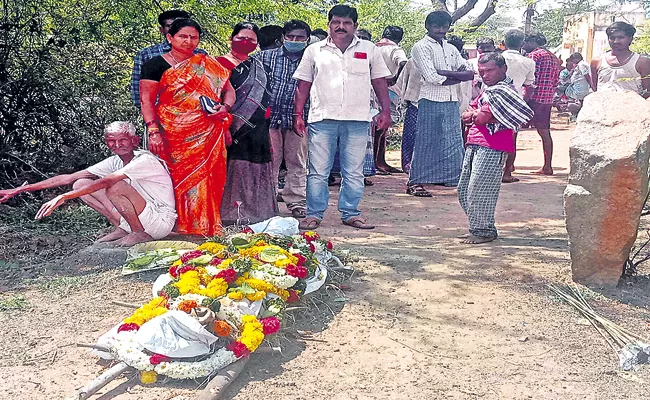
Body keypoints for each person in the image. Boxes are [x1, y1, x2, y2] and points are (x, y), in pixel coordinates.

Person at [293, 4, 392, 230]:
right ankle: (314, 214)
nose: (341, 27)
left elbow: (379, 82)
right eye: (336, 22)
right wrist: (298, 114)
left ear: (355, 26)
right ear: (329, 24)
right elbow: (303, 84)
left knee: (354, 171)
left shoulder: (369, 49)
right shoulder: (314, 50)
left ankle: (351, 213)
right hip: (321, 118)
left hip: (358, 119)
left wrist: (385, 112)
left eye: (346, 23)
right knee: (318, 170)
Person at [0, 122, 177, 246]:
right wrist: (21, 189)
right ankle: (123, 228)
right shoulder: (115, 161)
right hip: (144, 214)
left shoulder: (144, 160)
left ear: (134, 140)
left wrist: (64, 196)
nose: (117, 145)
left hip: (160, 221)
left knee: (114, 186)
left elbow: (107, 181)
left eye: (123, 140)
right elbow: (68, 178)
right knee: (80, 184)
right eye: (112, 140)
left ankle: (139, 233)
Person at [139, 19, 235, 235]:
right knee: (174, 178)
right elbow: (147, 101)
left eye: (194, 37)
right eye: (183, 36)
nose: (189, 41)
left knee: (208, 177)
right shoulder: (155, 65)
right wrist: (153, 130)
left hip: (208, 131)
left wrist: (225, 107)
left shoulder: (208, 64)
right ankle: (174, 226)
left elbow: (228, 90)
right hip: (172, 132)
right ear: (170, 37)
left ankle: (205, 225)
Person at [459, 53, 533, 244]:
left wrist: (479, 114)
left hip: (493, 145)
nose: (485, 75)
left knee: (480, 189)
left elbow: (479, 118)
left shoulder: (502, 92)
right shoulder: (488, 91)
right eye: (482, 72)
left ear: (503, 69)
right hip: (474, 142)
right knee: (465, 188)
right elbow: (467, 114)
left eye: (490, 70)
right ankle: (480, 225)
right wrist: (479, 114)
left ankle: (483, 230)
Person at [217, 22, 278, 225]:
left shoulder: (261, 67)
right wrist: (224, 127)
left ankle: (257, 214)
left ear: (257, 43)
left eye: (251, 40)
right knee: (232, 168)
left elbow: (266, 102)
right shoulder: (217, 64)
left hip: (258, 129)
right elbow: (213, 98)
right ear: (231, 39)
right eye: (242, 38)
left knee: (255, 167)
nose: (246, 42)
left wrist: (267, 131)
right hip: (228, 126)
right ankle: (229, 214)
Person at [408, 11, 473, 197]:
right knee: (426, 141)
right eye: (437, 26)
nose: (441, 30)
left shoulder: (451, 48)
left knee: (453, 142)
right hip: (430, 99)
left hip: (452, 100)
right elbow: (432, 77)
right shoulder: (421, 47)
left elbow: (469, 71)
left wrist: (446, 74)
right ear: (427, 26)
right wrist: (454, 76)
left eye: (445, 27)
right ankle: (415, 182)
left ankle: (453, 178)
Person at [257, 20, 312, 219]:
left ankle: (296, 202)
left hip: (299, 118)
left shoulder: (312, 60)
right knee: (270, 160)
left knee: (296, 161)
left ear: (307, 40)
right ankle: (267, 201)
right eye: (291, 37)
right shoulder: (264, 57)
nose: (295, 41)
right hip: (269, 119)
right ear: (283, 38)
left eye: (300, 38)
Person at [131, 10, 204, 110]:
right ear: (162, 30)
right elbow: (137, 91)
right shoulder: (147, 55)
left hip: (196, 115)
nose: (175, 29)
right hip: (159, 115)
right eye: (170, 26)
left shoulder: (200, 55)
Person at [500, 29, 536, 183]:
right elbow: (529, 86)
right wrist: (523, 102)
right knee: (511, 138)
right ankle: (507, 172)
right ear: (522, 43)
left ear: (504, 43)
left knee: (488, 136)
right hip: (514, 102)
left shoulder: (496, 58)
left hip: (492, 99)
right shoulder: (528, 62)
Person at [522, 32, 560, 176]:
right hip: (547, 99)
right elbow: (556, 80)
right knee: (545, 132)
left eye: (525, 42)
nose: (523, 45)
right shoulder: (552, 56)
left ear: (532, 41)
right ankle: (547, 166)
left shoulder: (534, 56)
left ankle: (509, 166)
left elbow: (531, 80)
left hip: (532, 98)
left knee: (513, 131)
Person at [374, 25, 409, 174]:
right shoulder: (395, 49)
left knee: (376, 127)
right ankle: (378, 162)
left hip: (371, 89)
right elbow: (403, 62)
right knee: (381, 128)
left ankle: (378, 161)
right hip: (389, 91)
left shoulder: (373, 47)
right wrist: (394, 78)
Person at [591, 21, 650, 98]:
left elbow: (647, 91)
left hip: (631, 107)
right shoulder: (597, 61)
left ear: (630, 39)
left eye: (621, 37)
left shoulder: (642, 62)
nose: (616, 41)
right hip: (603, 106)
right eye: (612, 38)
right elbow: (594, 87)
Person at [396, 59, 421, 175]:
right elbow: (403, 81)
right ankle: (408, 165)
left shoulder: (445, 60)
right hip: (415, 102)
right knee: (410, 137)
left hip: (433, 104)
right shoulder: (413, 62)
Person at [563, 53, 594, 121]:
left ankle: (576, 115)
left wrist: (592, 85)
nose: (572, 62)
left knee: (573, 103)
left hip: (581, 87)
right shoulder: (581, 64)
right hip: (579, 86)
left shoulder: (581, 64)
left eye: (573, 60)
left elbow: (586, 75)